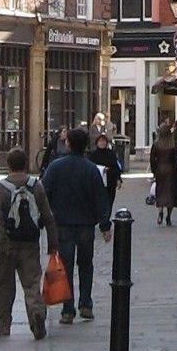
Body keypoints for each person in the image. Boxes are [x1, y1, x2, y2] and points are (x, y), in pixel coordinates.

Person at [41, 125, 111, 321]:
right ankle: (86, 303)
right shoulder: (91, 169)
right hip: (86, 224)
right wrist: (105, 224)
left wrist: (43, 219)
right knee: (86, 264)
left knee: (67, 265)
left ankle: (68, 308)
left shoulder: (56, 167)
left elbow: (44, 193)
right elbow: (100, 198)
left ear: (69, 144)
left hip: (62, 223)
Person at [0, 146, 58, 339]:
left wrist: (2, 241)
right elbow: (47, 215)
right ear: (26, 164)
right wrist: (53, 243)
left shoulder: (0, 188)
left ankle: (4, 324)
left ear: (8, 165)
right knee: (32, 282)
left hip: (8, 244)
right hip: (30, 243)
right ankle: (36, 314)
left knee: (4, 284)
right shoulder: (36, 185)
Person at [148, 125, 177, 225]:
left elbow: (152, 159)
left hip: (160, 169)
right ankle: (168, 215)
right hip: (171, 170)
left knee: (160, 191)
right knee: (170, 192)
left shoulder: (156, 144)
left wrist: (154, 170)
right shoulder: (173, 144)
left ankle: (160, 212)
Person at [90, 127, 124, 222]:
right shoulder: (93, 155)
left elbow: (116, 167)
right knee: (99, 201)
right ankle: (101, 217)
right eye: (100, 141)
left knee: (109, 201)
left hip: (110, 181)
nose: (102, 143)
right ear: (97, 143)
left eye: (104, 141)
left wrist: (118, 179)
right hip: (99, 181)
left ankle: (106, 218)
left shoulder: (111, 153)